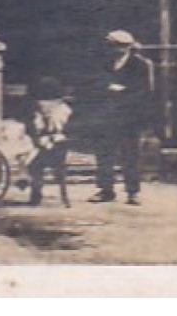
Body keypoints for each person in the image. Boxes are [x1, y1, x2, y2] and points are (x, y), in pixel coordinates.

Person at [88, 29, 155, 205]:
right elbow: (95, 83)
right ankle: (105, 190)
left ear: (128, 47)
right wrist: (107, 88)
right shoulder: (104, 63)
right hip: (106, 115)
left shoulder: (141, 65)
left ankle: (132, 192)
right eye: (111, 47)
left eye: (118, 47)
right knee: (104, 154)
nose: (114, 51)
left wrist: (121, 92)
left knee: (130, 155)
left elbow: (143, 91)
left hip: (129, 117)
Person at [26, 76, 74, 208]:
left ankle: (35, 194)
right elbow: (36, 128)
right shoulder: (40, 112)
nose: (42, 104)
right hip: (44, 144)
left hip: (58, 148)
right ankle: (35, 192)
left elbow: (68, 131)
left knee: (34, 163)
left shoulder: (63, 111)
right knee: (28, 157)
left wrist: (53, 138)